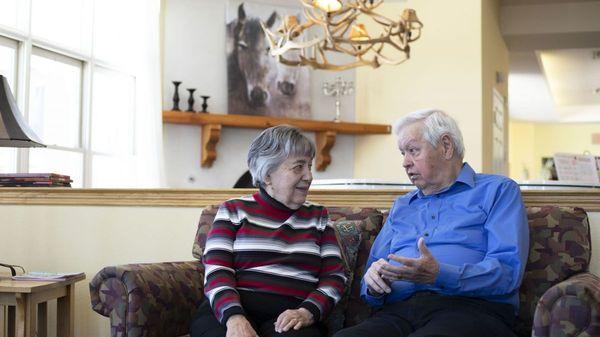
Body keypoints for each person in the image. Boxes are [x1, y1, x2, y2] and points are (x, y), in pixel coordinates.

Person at [334, 109, 529, 337]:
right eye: (403, 153)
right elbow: (371, 278)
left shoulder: (498, 190)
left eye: (413, 151)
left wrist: (439, 274)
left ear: (446, 146)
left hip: (471, 310)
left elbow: (507, 272)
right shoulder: (402, 206)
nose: (405, 163)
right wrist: (374, 283)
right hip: (398, 313)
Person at [190, 125, 346, 337]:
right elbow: (218, 270)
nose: (309, 176)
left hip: (292, 316)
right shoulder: (233, 211)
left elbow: (334, 277)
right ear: (267, 175)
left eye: (309, 166)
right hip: (233, 309)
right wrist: (234, 318)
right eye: (298, 167)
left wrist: (306, 312)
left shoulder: (318, 217)